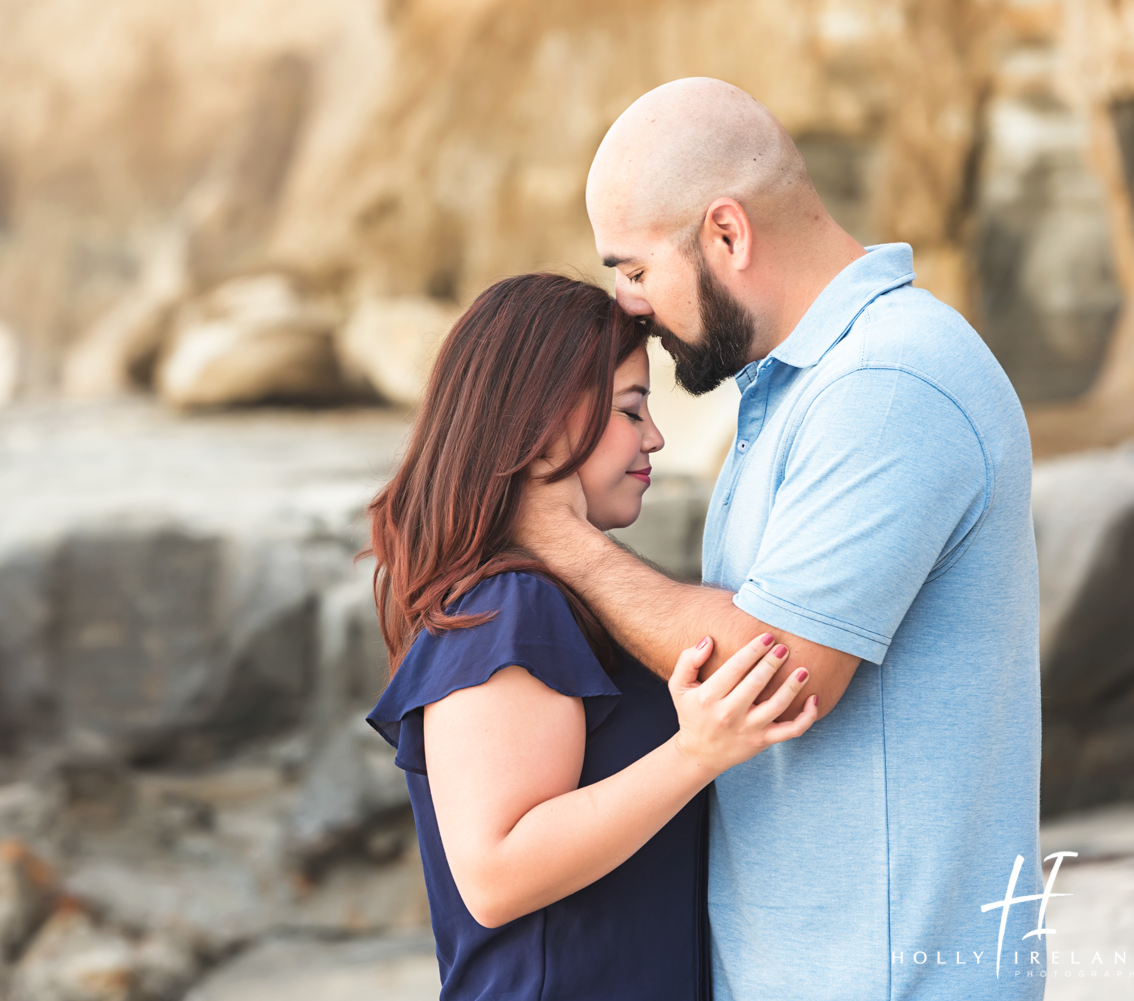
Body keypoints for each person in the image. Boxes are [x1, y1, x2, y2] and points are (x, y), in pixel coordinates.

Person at [513, 78, 1043, 1000]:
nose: (626, 304)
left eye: (634, 269)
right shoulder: (801, 388)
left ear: (728, 233)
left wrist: (558, 540)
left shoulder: (889, 383)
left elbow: (777, 671)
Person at [364, 272, 818, 1001]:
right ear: (551, 418)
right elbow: (496, 871)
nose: (655, 436)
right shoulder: (512, 605)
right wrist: (694, 754)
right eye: (632, 408)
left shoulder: (551, 597)